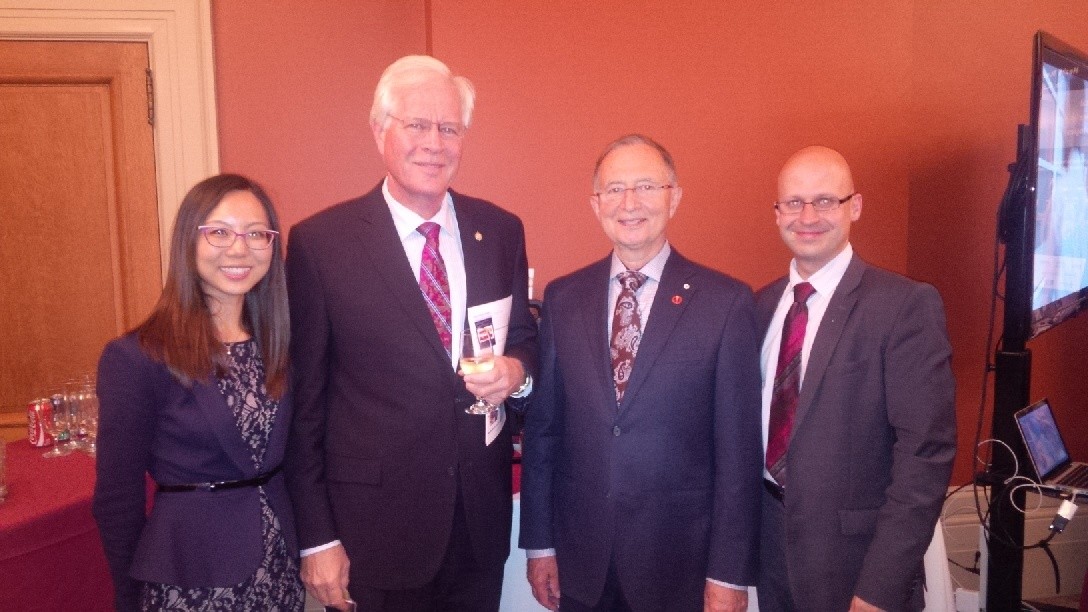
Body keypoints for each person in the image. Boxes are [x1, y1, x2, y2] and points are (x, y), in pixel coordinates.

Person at [284, 55, 537, 611]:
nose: (434, 143)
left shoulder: (498, 231)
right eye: (416, 125)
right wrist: (319, 537)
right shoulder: (321, 244)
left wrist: (516, 371)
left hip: (477, 527)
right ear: (380, 131)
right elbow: (304, 408)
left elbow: (523, 337)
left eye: (449, 128)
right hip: (372, 536)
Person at [520, 134, 762, 612]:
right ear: (595, 204)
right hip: (581, 561)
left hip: (681, 567)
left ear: (674, 197)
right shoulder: (564, 299)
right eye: (614, 190)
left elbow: (738, 452)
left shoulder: (726, 303)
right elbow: (545, 433)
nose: (629, 203)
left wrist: (729, 572)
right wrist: (540, 545)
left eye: (647, 186)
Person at [754, 146, 956, 611]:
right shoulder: (759, 307)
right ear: (777, 212)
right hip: (769, 558)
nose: (808, 216)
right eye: (794, 202)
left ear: (855, 206)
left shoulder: (904, 306)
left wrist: (879, 587)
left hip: (857, 570)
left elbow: (925, 456)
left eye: (826, 201)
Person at [93, 174, 302, 611]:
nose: (239, 248)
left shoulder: (280, 344)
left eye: (256, 234)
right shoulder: (137, 357)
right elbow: (118, 498)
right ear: (189, 240)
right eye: (220, 232)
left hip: (280, 569)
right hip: (191, 581)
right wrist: (128, 598)